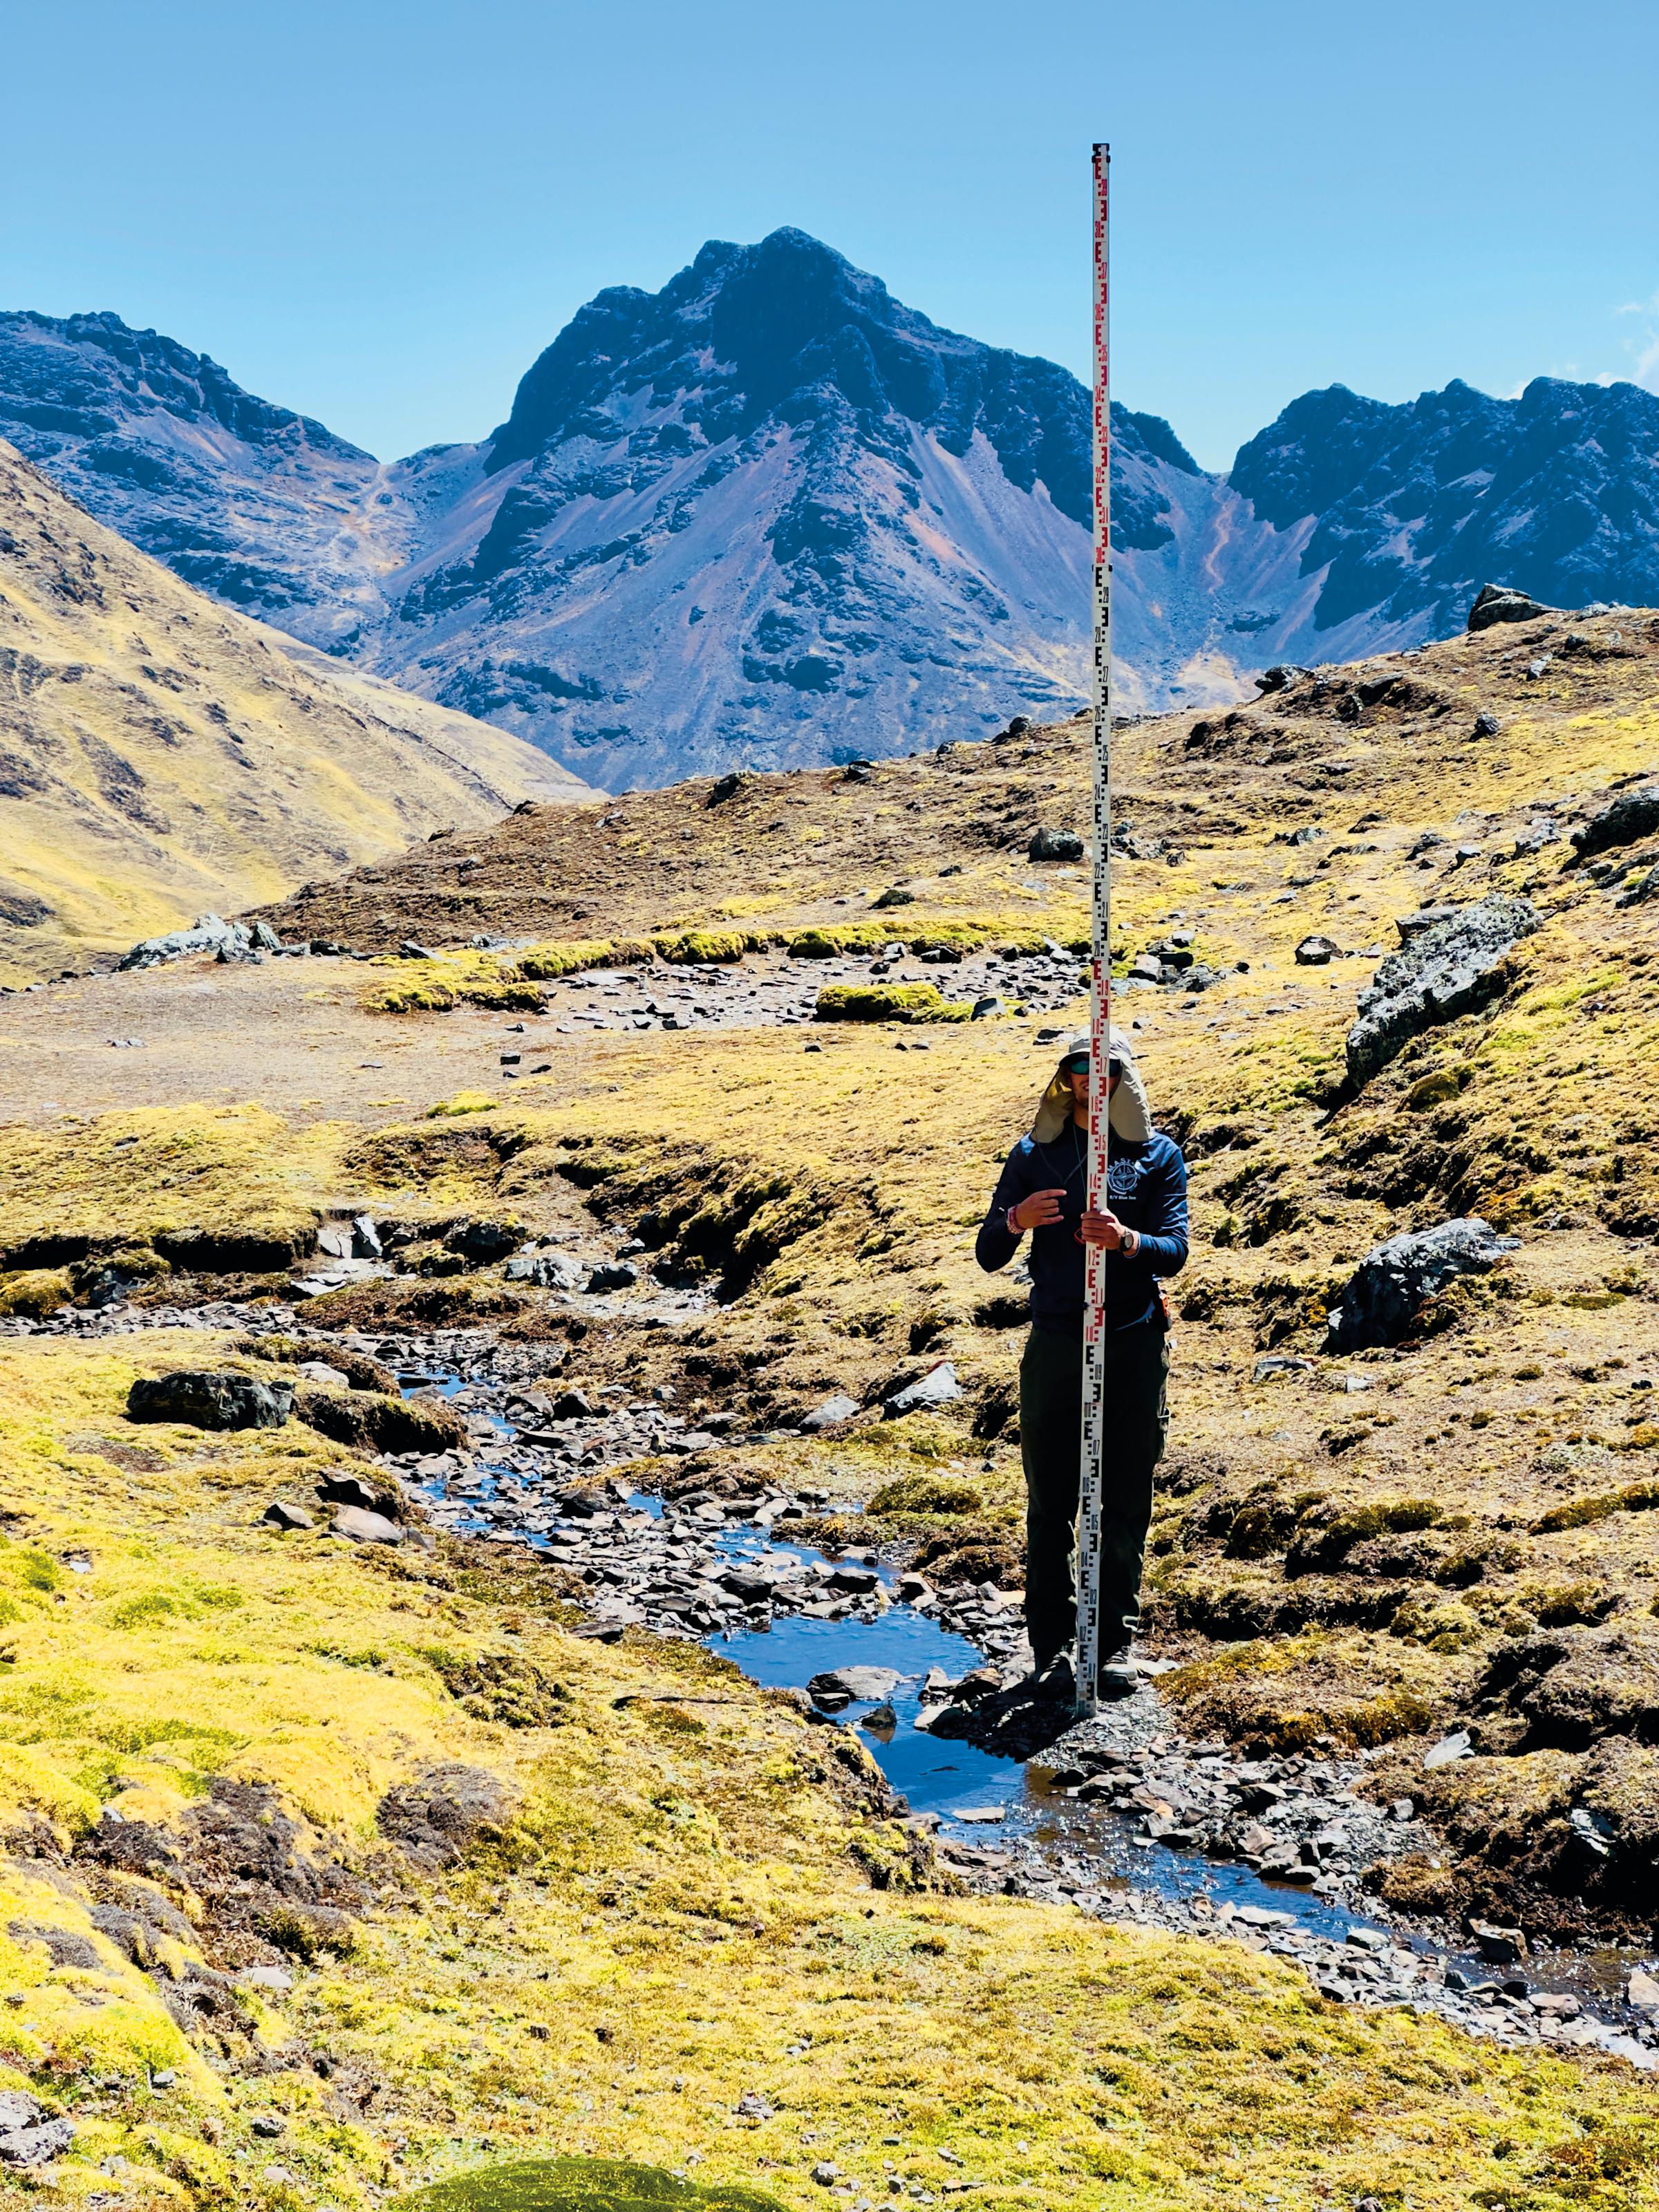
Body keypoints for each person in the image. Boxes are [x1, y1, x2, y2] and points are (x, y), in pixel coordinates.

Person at [975, 1029, 1188, 1698]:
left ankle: (1113, 1641)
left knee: (1125, 1495)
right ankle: (1049, 1644)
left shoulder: (1157, 1155)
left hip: (1132, 1340)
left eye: (1102, 1069)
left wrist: (1126, 1239)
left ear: (1123, 1077)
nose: (1088, 1080)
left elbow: (1176, 1249)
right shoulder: (1033, 1155)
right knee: (1052, 1499)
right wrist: (1016, 1218)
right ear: (1063, 1078)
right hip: (1059, 1341)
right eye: (1076, 1068)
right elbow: (987, 1252)